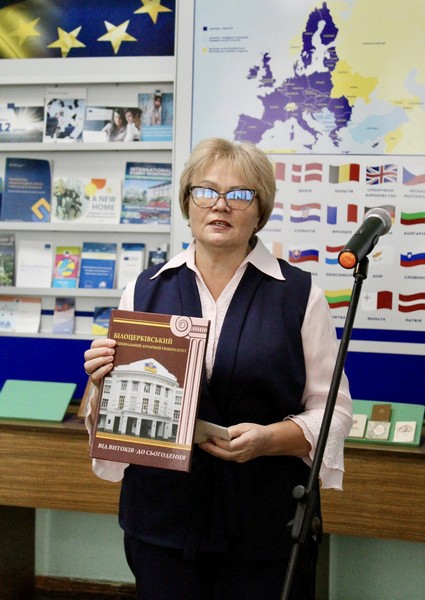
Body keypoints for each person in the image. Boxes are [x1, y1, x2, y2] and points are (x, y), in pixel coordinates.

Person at [84, 137, 352, 600]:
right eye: (206, 191)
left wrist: (270, 439)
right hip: (161, 524)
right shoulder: (144, 290)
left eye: (240, 194)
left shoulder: (299, 295)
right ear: (187, 202)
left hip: (265, 526)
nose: (220, 205)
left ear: (260, 210)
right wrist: (99, 380)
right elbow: (112, 415)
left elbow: (334, 413)